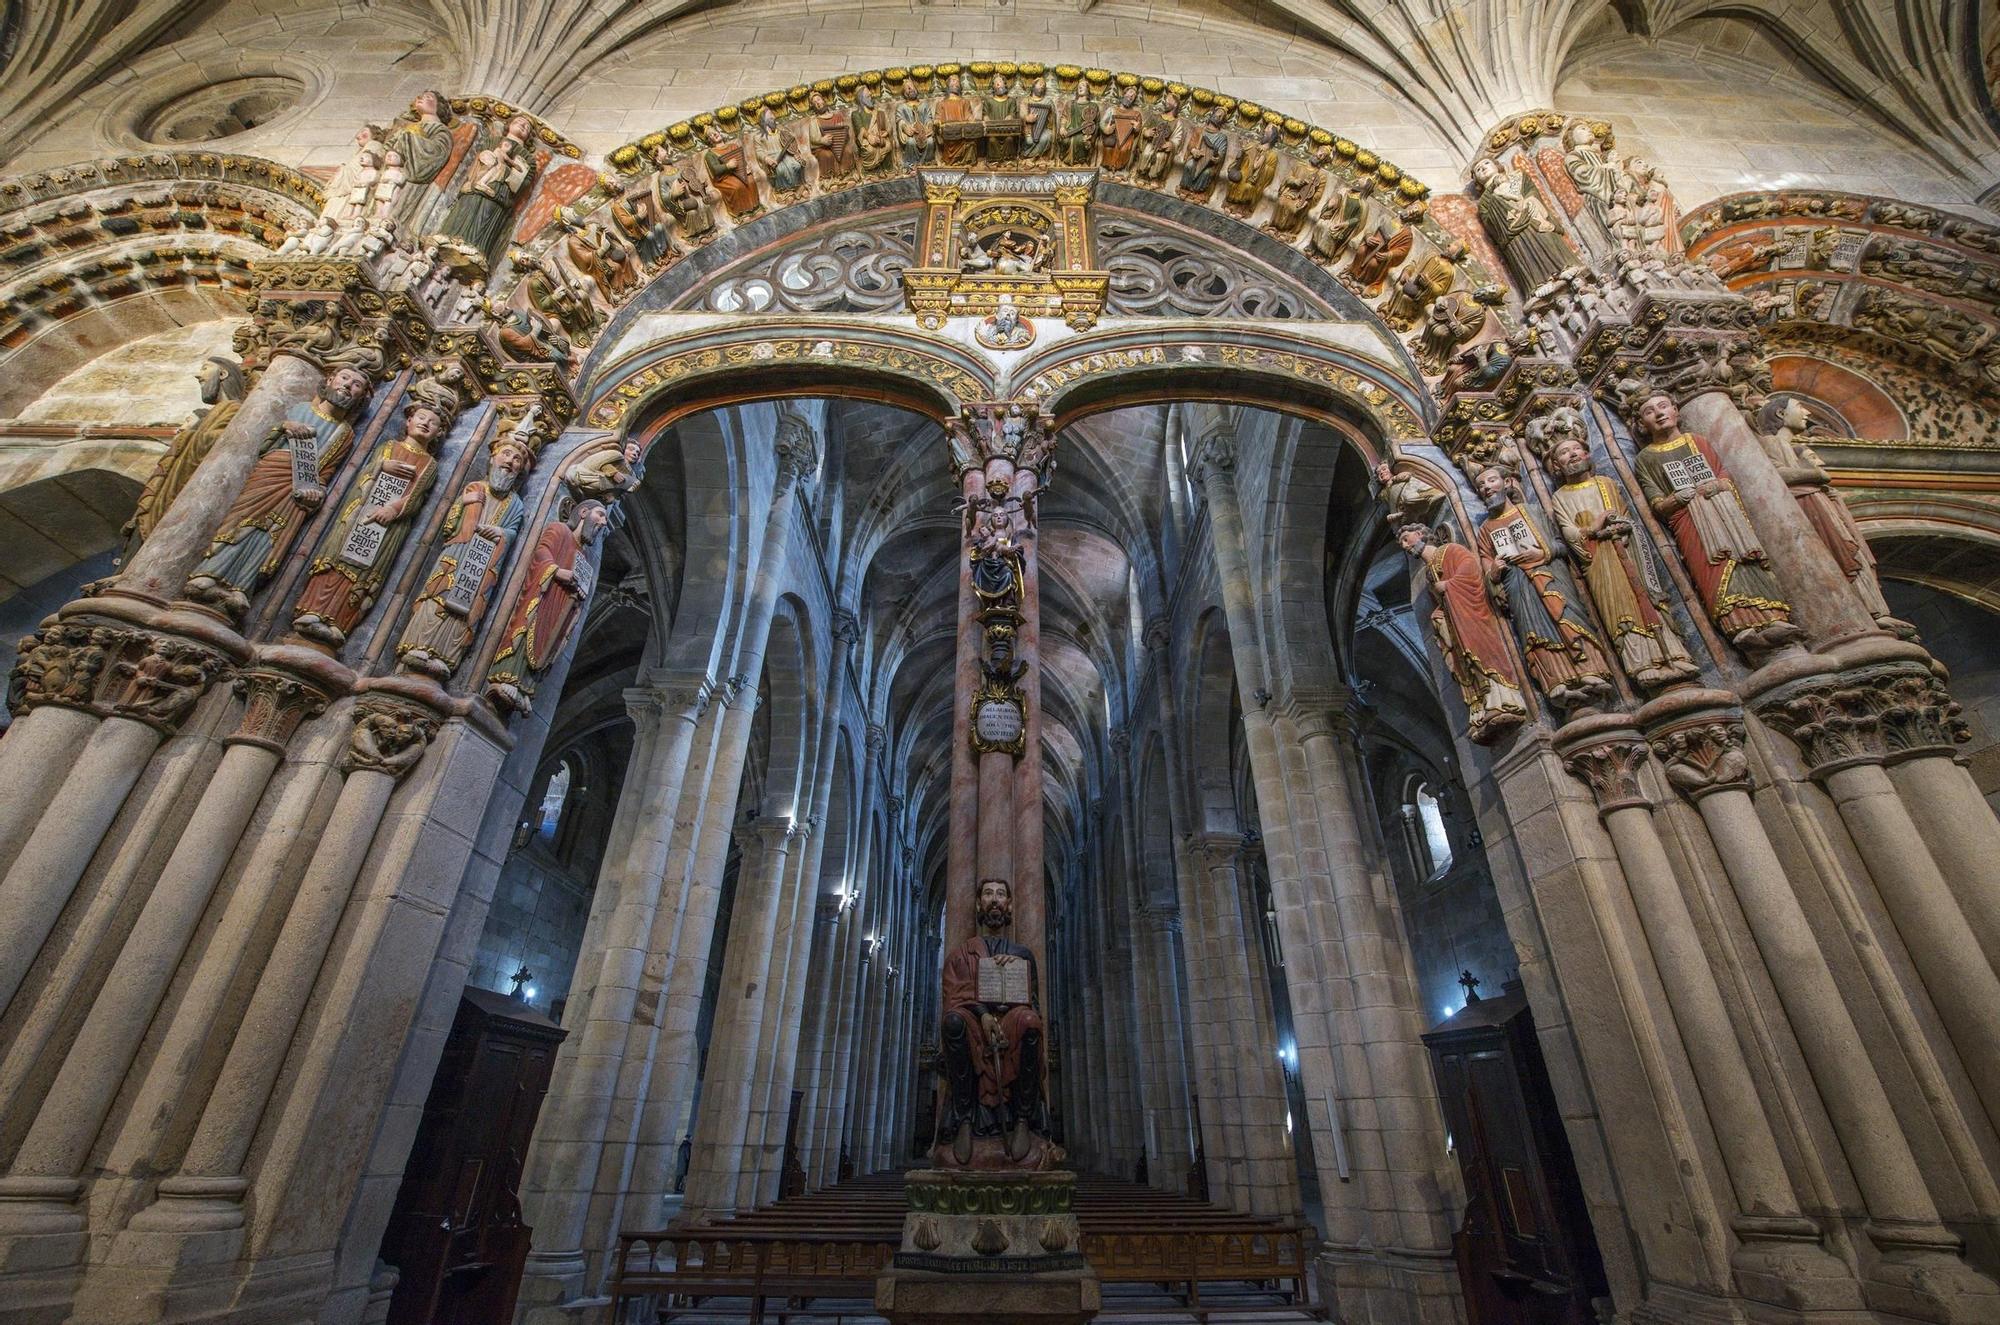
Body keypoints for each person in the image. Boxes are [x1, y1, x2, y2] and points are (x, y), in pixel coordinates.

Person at [183, 365, 371, 622]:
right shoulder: (301, 410)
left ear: (360, 397)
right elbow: (262, 444)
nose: (348, 385)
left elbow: (327, 470)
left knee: (272, 535)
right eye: (345, 378)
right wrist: (285, 427)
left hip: (298, 489)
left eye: (356, 384)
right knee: (243, 519)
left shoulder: (345, 433)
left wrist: (317, 491)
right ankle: (209, 571)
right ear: (330, 380)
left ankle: (241, 586)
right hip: (272, 473)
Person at [935, 877, 1048, 1167]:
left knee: (1030, 1022)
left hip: (1010, 1019)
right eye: (988, 894)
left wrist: (1015, 973)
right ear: (978, 903)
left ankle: (1022, 1118)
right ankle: (963, 1120)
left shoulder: (1022, 954)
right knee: (953, 1022)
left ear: (1009, 905)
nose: (994, 900)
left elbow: (1032, 1002)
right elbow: (953, 996)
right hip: (974, 1022)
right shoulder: (962, 955)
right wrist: (984, 1014)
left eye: (1000, 894)